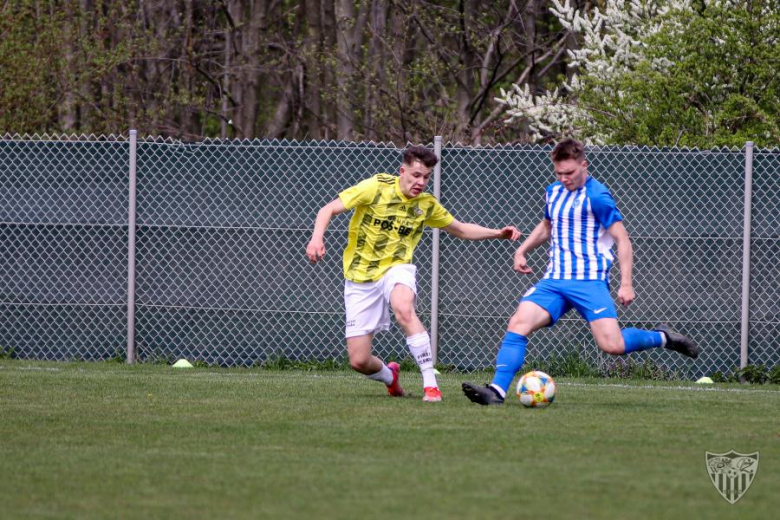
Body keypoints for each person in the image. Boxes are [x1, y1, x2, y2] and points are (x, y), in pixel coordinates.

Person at [462, 138, 698, 405]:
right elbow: (547, 226)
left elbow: (622, 239)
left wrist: (626, 283)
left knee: (612, 346)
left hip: (589, 282)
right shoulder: (553, 191)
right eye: (559, 173)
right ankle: (496, 391)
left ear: (583, 165)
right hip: (554, 281)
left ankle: (662, 338)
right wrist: (522, 250)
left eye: (570, 173)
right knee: (518, 323)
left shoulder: (597, 196)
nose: (564, 178)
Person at [307, 146, 521, 402]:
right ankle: (389, 376)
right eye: (416, 175)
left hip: (397, 268)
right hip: (360, 277)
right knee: (359, 360)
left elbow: (461, 229)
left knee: (404, 307)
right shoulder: (376, 187)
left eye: (426, 177)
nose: (421, 182)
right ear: (402, 171)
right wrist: (316, 238)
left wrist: (497, 233)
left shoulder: (426, 205)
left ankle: (430, 384)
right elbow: (327, 209)